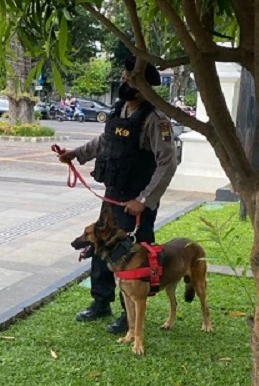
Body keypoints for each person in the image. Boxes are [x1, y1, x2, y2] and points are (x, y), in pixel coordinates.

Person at [59, 58, 178, 333]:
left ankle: (130, 314)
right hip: (112, 197)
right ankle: (101, 302)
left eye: (130, 78)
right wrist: (76, 155)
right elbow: (104, 142)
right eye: (125, 76)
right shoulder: (119, 110)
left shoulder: (155, 119)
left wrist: (145, 200)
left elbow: (168, 163)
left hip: (136, 203)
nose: (124, 80)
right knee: (101, 249)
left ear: (145, 85)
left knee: (133, 258)